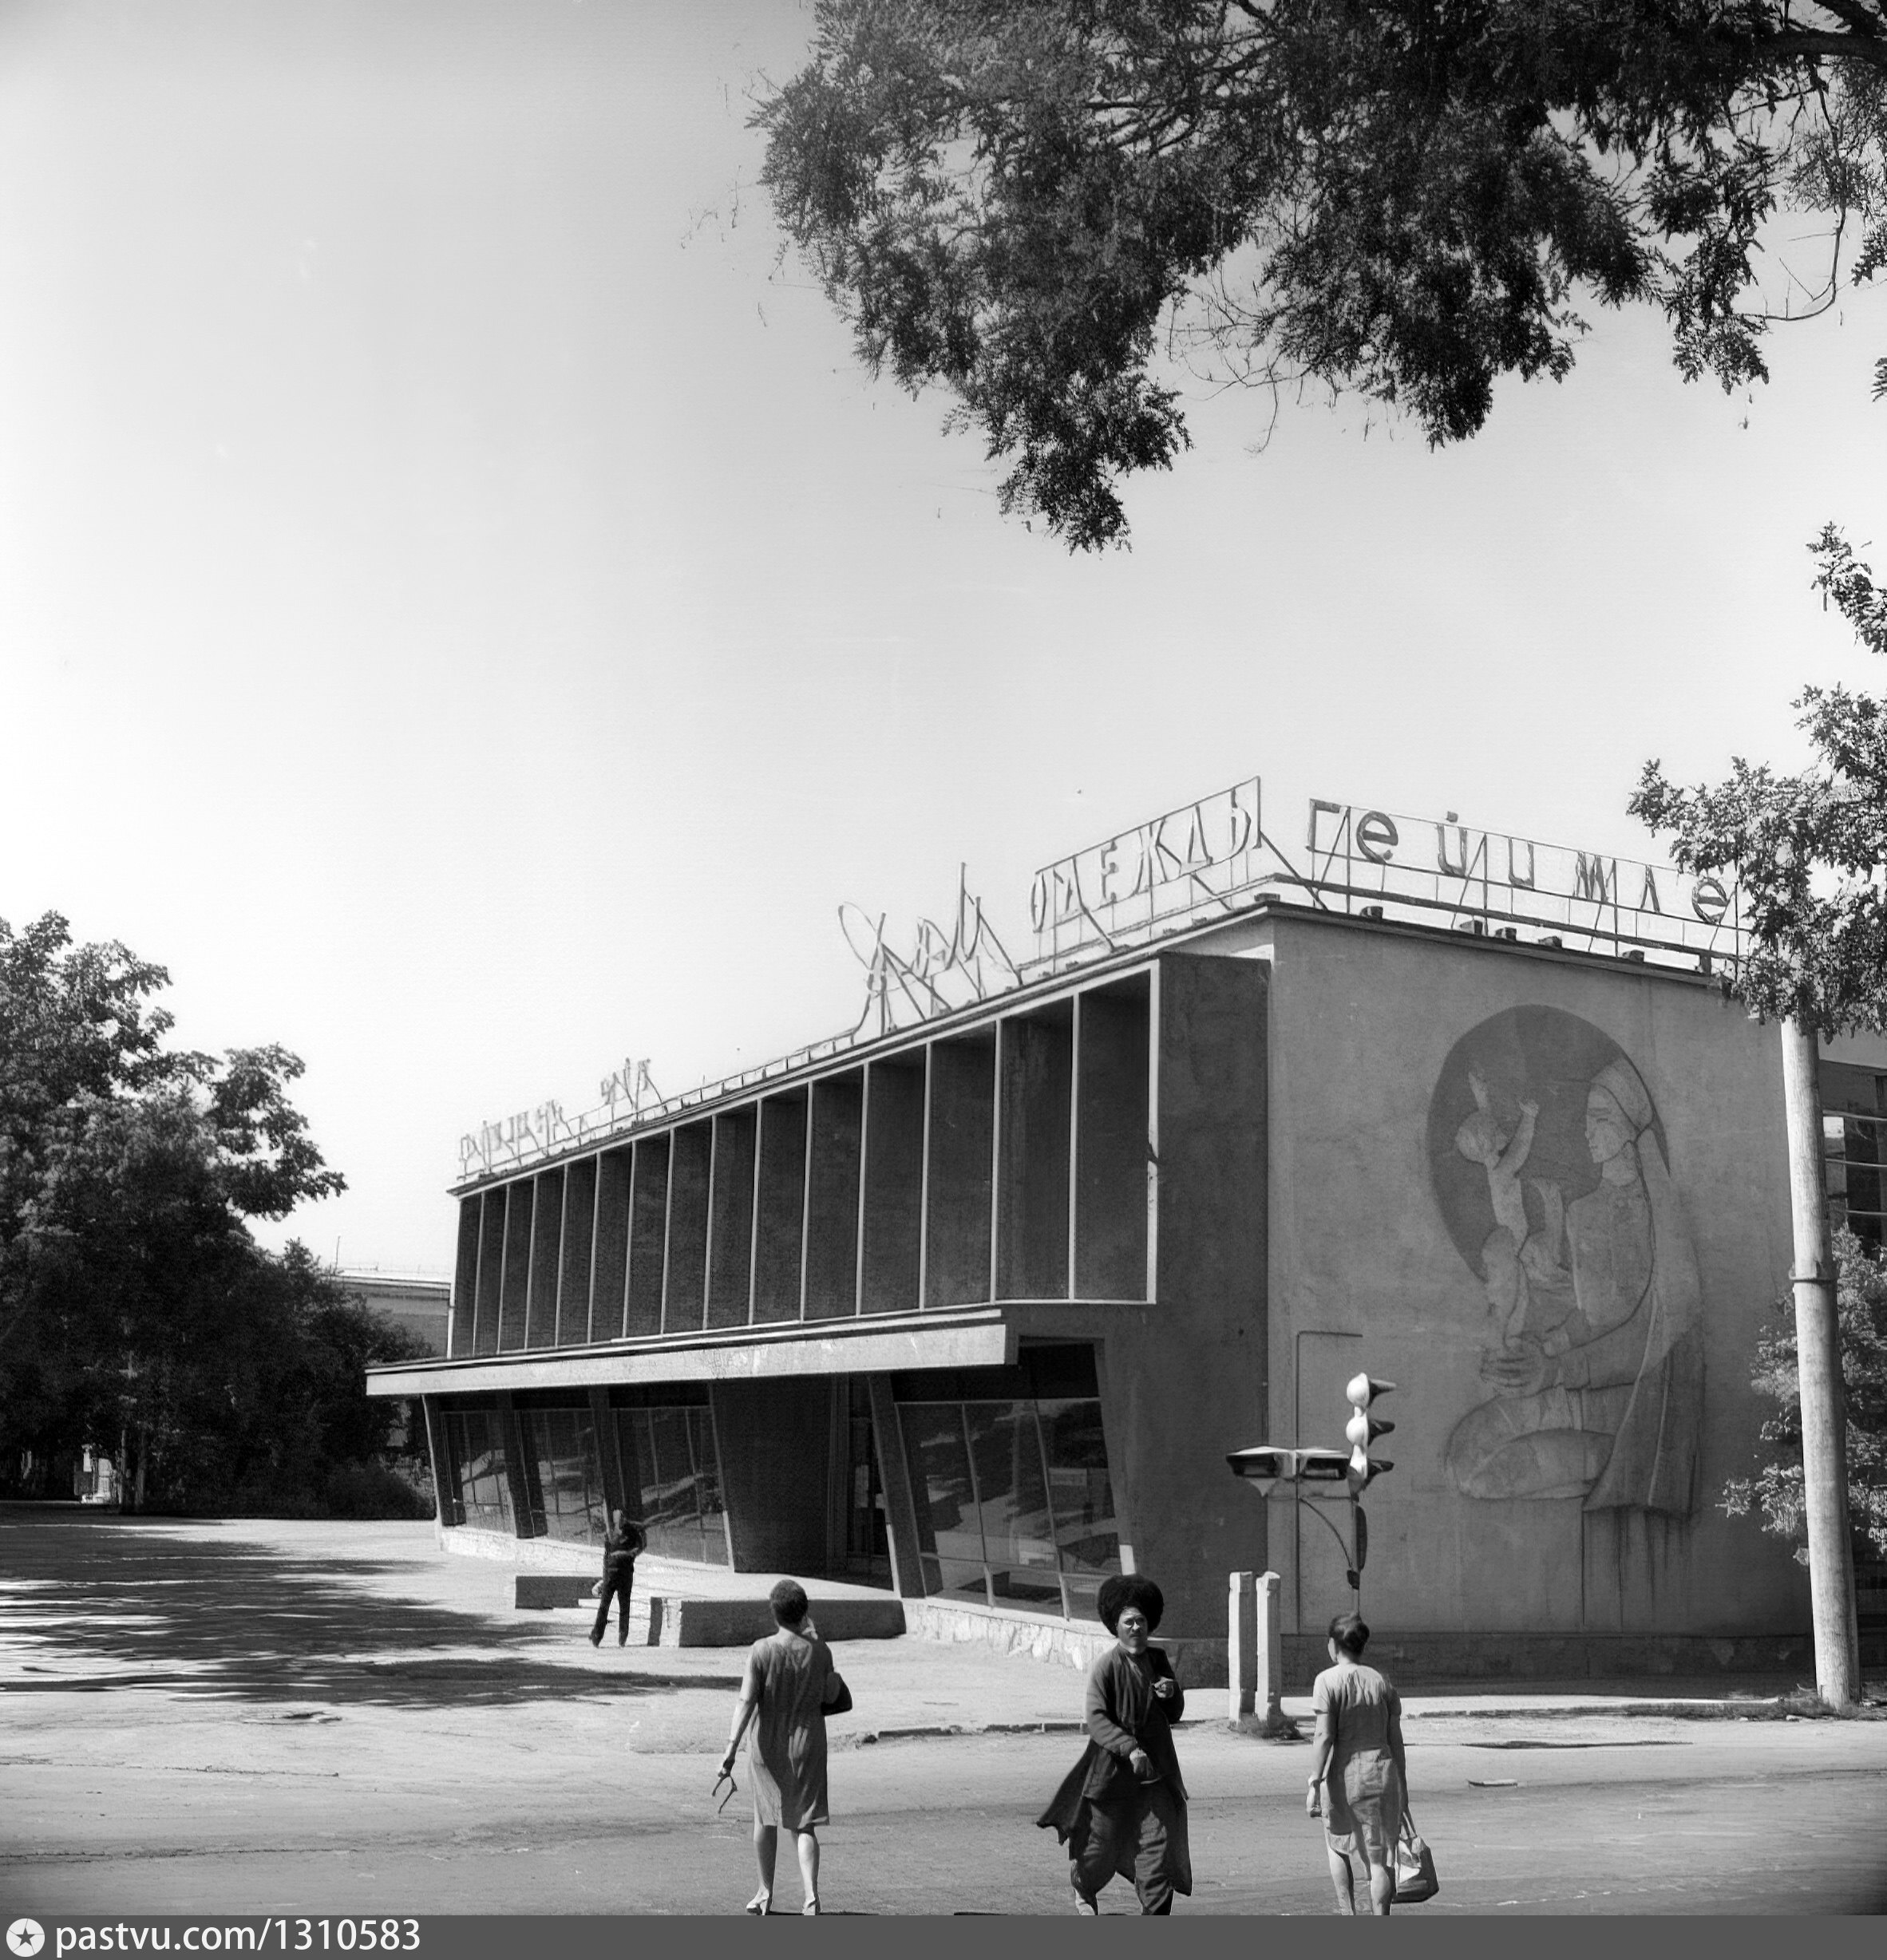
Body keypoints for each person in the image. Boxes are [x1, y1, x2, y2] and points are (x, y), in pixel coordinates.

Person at [1036, 1573, 1192, 1915]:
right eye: (1129, 1622)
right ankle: (1083, 1888)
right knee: (1098, 1850)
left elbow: (1175, 1713)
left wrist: (1171, 1694)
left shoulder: (1158, 1661)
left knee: (1158, 1849)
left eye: (1141, 1621)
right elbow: (1096, 1719)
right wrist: (1129, 1748)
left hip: (1155, 1777)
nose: (1136, 1628)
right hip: (1110, 1778)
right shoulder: (1106, 1666)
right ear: (1116, 1627)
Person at [718, 1579, 840, 1915]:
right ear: (804, 1612)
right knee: (805, 1824)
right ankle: (811, 1897)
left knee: (765, 1819)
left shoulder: (761, 1650)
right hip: (808, 1744)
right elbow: (830, 1696)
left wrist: (729, 1751)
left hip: (767, 1745)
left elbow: (745, 1702)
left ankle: (765, 1893)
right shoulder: (820, 1650)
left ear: (775, 1613)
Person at [1306, 1612, 1407, 1916]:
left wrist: (1314, 1781)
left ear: (1333, 1645)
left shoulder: (1327, 1681)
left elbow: (1324, 1735)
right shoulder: (1382, 1682)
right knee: (1379, 1860)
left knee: (1337, 1844)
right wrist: (1402, 1785)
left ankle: (1348, 1916)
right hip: (1383, 1772)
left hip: (1344, 1776)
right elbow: (1396, 1739)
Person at [589, 1508, 647, 1648]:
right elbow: (606, 1556)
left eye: (620, 1518)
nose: (618, 1521)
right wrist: (604, 1577)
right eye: (616, 1519)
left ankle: (622, 1637)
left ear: (624, 1518)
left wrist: (628, 1555)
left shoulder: (632, 1532)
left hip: (625, 1575)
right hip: (611, 1575)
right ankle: (596, 1636)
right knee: (604, 1607)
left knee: (624, 1607)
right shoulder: (610, 1534)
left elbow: (641, 1546)